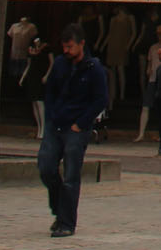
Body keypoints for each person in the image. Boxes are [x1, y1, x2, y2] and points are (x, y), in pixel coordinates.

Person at [39, 23, 110, 238]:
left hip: (76, 128)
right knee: (46, 167)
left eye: (70, 47)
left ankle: (66, 222)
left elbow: (101, 99)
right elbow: (50, 90)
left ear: (81, 44)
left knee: (71, 175)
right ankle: (59, 208)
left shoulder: (94, 69)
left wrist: (81, 123)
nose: (66, 51)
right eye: (64, 46)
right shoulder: (61, 64)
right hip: (56, 123)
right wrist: (50, 115)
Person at [21, 39, 52, 137]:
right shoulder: (31, 50)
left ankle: (43, 128)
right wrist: (22, 77)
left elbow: (52, 63)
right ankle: (39, 127)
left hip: (41, 77)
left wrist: (47, 75)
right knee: (34, 102)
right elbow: (28, 65)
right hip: (32, 77)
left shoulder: (46, 48)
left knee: (40, 102)